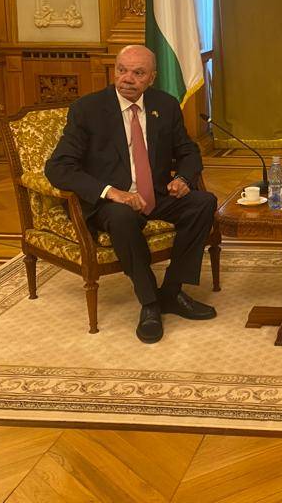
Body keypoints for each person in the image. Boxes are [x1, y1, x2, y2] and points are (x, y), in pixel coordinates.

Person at [45, 45, 219, 344]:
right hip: (110, 203)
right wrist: (111, 192)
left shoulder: (165, 105)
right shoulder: (88, 109)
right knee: (122, 217)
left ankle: (172, 291)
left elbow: (188, 151)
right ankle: (149, 302)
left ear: (152, 77)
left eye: (138, 73)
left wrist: (183, 178)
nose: (127, 78)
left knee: (204, 202)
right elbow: (58, 167)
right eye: (122, 70)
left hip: (155, 194)